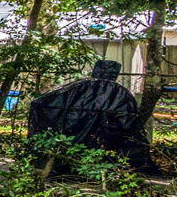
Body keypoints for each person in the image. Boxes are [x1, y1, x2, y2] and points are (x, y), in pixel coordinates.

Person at [25, 59, 167, 177]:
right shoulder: (120, 93)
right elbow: (128, 123)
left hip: (74, 136)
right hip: (106, 141)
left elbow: (46, 102)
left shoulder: (80, 87)